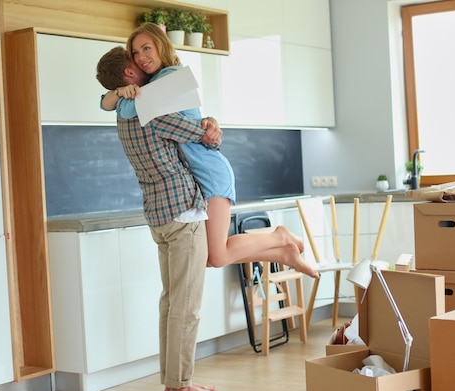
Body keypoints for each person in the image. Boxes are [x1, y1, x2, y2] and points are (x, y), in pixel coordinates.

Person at [99, 24, 318, 278]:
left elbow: (124, 110)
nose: (141, 57)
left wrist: (118, 95)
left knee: (216, 255)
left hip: (209, 172)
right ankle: (282, 253)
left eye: (146, 48)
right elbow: (108, 103)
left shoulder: (169, 77)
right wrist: (117, 93)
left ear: (162, 46)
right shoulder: (158, 82)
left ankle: (279, 237)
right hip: (198, 175)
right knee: (209, 257)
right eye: (135, 53)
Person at [98, 46, 224, 391]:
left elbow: (108, 102)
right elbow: (203, 135)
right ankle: (181, 385)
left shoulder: (122, 114)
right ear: (128, 76)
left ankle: (174, 383)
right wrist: (211, 125)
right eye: (135, 62)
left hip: (157, 215)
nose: (142, 65)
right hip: (183, 212)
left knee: (171, 302)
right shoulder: (149, 108)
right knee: (186, 305)